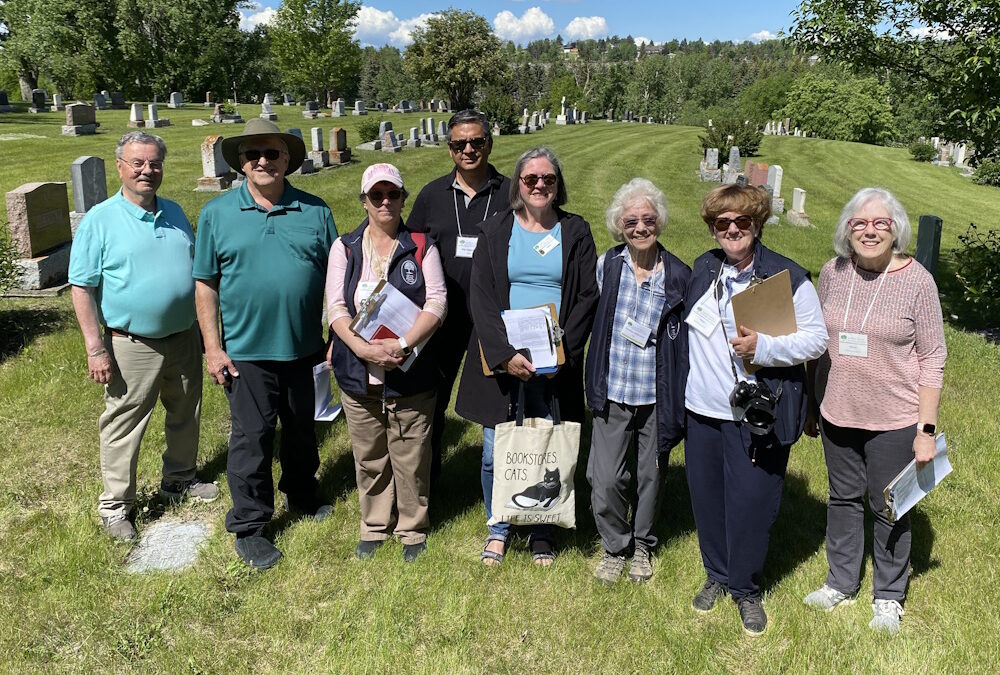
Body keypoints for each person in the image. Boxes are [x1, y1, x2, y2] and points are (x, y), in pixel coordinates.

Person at [683, 183, 828, 635]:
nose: (731, 230)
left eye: (741, 221)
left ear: (757, 223)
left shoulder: (786, 277)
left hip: (756, 411)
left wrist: (762, 347)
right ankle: (717, 574)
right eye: (721, 223)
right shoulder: (705, 267)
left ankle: (745, 588)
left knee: (751, 500)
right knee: (707, 498)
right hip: (701, 408)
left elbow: (817, 339)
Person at [193, 119, 338, 569]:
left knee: (301, 431)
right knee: (252, 439)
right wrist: (213, 349)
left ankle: (301, 494)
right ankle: (250, 525)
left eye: (271, 153)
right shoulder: (217, 214)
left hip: (304, 347)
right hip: (246, 352)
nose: (262, 161)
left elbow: (338, 282)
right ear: (240, 163)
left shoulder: (315, 211)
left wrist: (337, 336)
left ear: (288, 159)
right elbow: (206, 284)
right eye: (252, 154)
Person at [803, 187, 946, 635]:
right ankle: (841, 581)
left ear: (895, 230)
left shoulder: (917, 281)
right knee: (843, 500)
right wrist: (812, 403)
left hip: (894, 419)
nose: (869, 231)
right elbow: (817, 342)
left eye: (880, 223)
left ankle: (887, 596)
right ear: (848, 229)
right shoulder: (832, 272)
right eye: (859, 223)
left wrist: (925, 429)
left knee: (889, 508)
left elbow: (933, 357)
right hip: (837, 412)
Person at [68, 131, 218, 541]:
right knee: (124, 423)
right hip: (131, 343)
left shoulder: (172, 211)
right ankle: (117, 506)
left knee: (186, 412)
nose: (147, 171)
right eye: (137, 163)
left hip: (184, 336)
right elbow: (82, 285)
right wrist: (95, 347)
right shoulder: (101, 219)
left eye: (154, 163)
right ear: (120, 167)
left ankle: (179, 480)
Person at [455, 147, 599, 567]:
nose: (539, 185)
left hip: (555, 361)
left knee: (547, 444)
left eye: (548, 179)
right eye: (530, 178)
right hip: (503, 361)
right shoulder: (495, 229)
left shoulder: (576, 231)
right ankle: (498, 526)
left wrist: (562, 353)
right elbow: (479, 298)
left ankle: (541, 528)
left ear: (558, 185)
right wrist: (503, 354)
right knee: (493, 450)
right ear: (517, 183)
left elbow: (587, 295)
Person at [327, 163, 447, 562]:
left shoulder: (421, 244)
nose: (384, 201)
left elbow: (437, 301)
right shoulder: (344, 248)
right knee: (369, 454)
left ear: (402, 198)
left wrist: (404, 344)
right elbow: (336, 308)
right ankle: (375, 524)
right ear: (363, 200)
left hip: (410, 367)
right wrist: (363, 349)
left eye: (392, 194)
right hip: (359, 369)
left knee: (412, 455)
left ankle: (412, 527)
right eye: (375, 195)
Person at [584, 178, 690, 584]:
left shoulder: (679, 275)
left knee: (651, 473)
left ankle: (643, 544)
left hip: (656, 393)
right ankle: (615, 544)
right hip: (613, 388)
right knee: (605, 476)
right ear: (619, 224)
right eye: (631, 220)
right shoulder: (608, 265)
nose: (641, 227)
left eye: (648, 219)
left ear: (659, 221)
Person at [407, 110, 511, 492]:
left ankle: (503, 487)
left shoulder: (511, 193)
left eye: (476, 142)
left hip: (494, 319)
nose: (468, 149)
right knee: (429, 402)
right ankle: (427, 485)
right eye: (459, 144)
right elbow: (410, 253)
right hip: (443, 319)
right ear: (449, 148)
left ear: (489, 143)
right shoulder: (432, 195)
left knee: (499, 403)